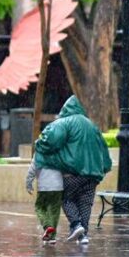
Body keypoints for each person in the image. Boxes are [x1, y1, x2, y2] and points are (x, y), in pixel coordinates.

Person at [31, 95, 112, 244]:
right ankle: (83, 235)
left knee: (65, 197)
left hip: (73, 172)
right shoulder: (92, 126)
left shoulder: (63, 123)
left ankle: (75, 224)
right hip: (93, 175)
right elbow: (104, 151)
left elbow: (49, 142)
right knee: (85, 203)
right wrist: (104, 167)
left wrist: (39, 144)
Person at [25, 140, 65, 244]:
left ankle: (47, 226)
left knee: (39, 207)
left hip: (44, 187)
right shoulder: (59, 153)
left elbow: (32, 169)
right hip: (58, 186)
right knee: (54, 211)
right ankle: (52, 237)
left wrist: (29, 184)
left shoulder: (38, 154)